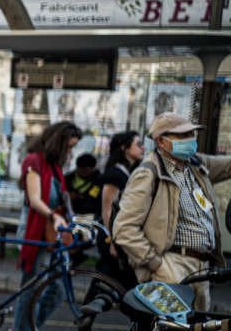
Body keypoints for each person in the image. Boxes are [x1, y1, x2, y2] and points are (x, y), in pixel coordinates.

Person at [114, 114, 231, 313]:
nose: (190, 139)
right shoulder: (148, 173)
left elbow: (228, 166)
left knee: (196, 329)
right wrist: (156, 263)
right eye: (182, 135)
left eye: (192, 134)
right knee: (170, 329)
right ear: (161, 141)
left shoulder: (196, 165)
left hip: (202, 267)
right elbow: (124, 228)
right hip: (172, 265)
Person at [12, 121, 82, 331]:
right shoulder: (34, 161)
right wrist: (54, 216)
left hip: (52, 230)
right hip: (36, 228)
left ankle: (29, 329)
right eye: (68, 147)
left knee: (56, 289)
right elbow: (35, 200)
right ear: (58, 143)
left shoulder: (55, 167)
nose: (70, 153)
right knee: (33, 285)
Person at [97, 131, 144, 290]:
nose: (142, 148)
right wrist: (112, 241)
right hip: (111, 234)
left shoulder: (131, 171)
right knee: (107, 279)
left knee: (118, 281)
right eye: (138, 144)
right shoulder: (115, 174)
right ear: (124, 148)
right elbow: (107, 210)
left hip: (122, 232)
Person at [67, 153, 102, 217]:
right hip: (70, 213)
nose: (83, 172)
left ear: (93, 168)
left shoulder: (98, 181)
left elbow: (93, 199)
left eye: (86, 170)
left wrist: (78, 197)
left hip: (89, 215)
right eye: (81, 169)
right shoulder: (68, 178)